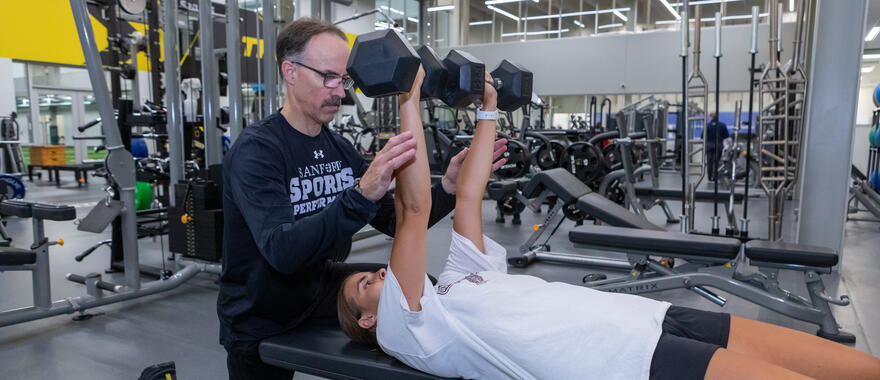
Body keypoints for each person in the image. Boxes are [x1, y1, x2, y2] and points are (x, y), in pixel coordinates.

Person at [336, 70, 880, 379]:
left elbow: (471, 193)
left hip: (649, 318)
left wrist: (488, 108)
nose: (378, 277)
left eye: (371, 273)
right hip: (629, 363)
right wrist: (407, 98)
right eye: (367, 284)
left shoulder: (457, 281)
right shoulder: (412, 331)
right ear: (369, 323)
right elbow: (411, 214)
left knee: (849, 366)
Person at [218, 18, 507, 380]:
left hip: (318, 287)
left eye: (345, 80)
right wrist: (358, 196)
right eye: (329, 77)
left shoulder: (338, 148)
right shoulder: (257, 152)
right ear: (290, 72)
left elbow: (393, 219)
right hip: (261, 311)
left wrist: (448, 188)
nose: (340, 92)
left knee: (417, 287)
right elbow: (282, 251)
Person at [705, 112, 729, 182]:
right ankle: (715, 178)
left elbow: (702, 136)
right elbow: (726, 136)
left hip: (709, 145)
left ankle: (709, 178)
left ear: (711, 117)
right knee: (715, 162)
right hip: (718, 145)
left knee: (709, 162)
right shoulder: (722, 125)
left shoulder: (707, 125)